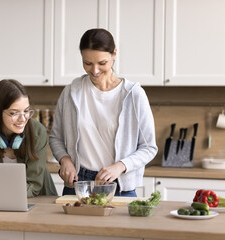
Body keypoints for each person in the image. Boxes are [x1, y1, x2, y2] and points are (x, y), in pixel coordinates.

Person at [49, 28, 158, 197]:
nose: (95, 70)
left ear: (114, 54)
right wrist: (65, 160)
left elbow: (149, 147)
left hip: (119, 185)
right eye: (87, 63)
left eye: (102, 63)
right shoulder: (71, 92)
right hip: (78, 184)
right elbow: (55, 137)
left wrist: (120, 166)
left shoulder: (133, 94)